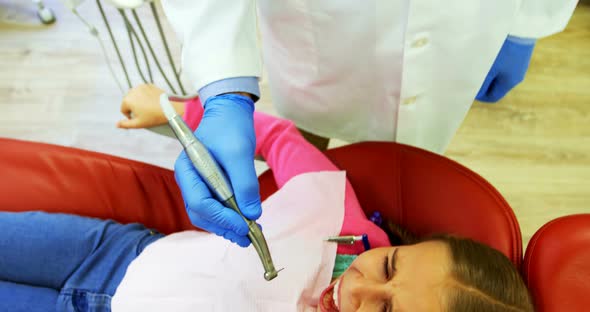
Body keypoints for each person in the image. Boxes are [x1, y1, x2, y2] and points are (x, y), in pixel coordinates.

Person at [0, 85, 533, 311]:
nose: (363, 286)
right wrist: (173, 110)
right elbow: (278, 138)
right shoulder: (343, 220)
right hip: (111, 254)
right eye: (391, 265)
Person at [156, 0, 579, 247]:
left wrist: (529, 20)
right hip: (321, 40)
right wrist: (221, 89)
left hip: (465, 32)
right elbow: (283, 139)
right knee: (307, 138)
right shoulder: (367, 240)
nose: (364, 292)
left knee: (413, 156)